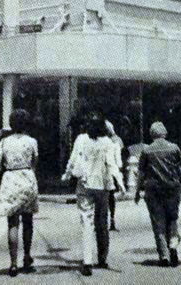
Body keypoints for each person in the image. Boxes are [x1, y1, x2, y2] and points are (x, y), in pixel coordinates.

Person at [63, 112, 125, 276]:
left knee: (87, 222)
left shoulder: (81, 139)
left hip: (85, 184)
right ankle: (102, 257)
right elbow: (112, 165)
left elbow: (73, 159)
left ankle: (87, 261)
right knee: (102, 221)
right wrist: (121, 183)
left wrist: (67, 174)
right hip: (103, 185)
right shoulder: (108, 143)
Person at [0, 109, 39, 277]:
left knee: (12, 223)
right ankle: (26, 257)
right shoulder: (32, 141)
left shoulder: (4, 142)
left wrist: (8, 167)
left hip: (10, 179)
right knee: (28, 221)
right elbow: (35, 163)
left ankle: (13, 264)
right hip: (27, 177)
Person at [135, 121, 181, 268]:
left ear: (152, 134)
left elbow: (141, 174)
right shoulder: (174, 148)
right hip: (172, 189)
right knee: (172, 219)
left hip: (153, 190)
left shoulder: (146, 151)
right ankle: (173, 246)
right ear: (164, 133)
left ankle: (164, 255)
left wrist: (137, 191)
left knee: (158, 223)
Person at [104, 120, 124, 231]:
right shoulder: (117, 141)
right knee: (110, 197)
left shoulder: (106, 141)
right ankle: (111, 219)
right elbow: (119, 159)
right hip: (112, 172)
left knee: (106, 197)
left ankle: (107, 219)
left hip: (106, 172)